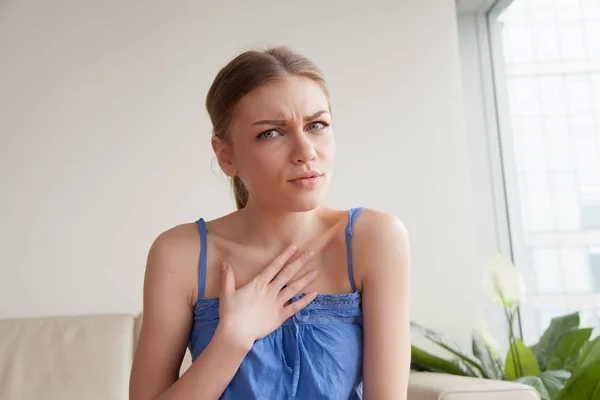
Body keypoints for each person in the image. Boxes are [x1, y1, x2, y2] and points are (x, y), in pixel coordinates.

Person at [129, 46, 411, 400]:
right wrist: (233, 338)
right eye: (271, 133)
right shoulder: (179, 254)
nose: (306, 151)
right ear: (225, 155)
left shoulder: (374, 240)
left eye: (317, 125)